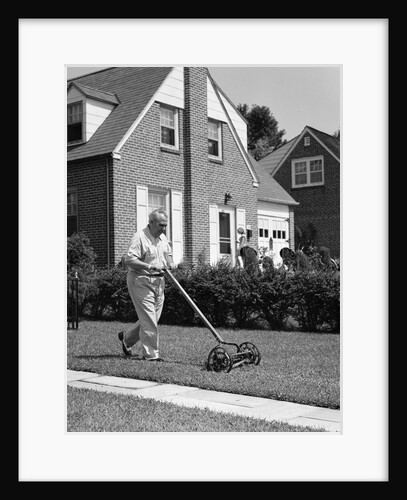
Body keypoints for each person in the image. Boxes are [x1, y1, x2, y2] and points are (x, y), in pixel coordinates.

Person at [118, 208, 176, 361]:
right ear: (151, 222)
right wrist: (150, 266)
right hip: (141, 281)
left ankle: (127, 339)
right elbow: (129, 260)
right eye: (161, 225)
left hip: (159, 282)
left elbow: (167, 254)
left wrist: (170, 263)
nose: (164, 229)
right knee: (149, 319)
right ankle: (151, 355)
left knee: (151, 318)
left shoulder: (162, 238)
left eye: (165, 225)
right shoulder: (140, 237)